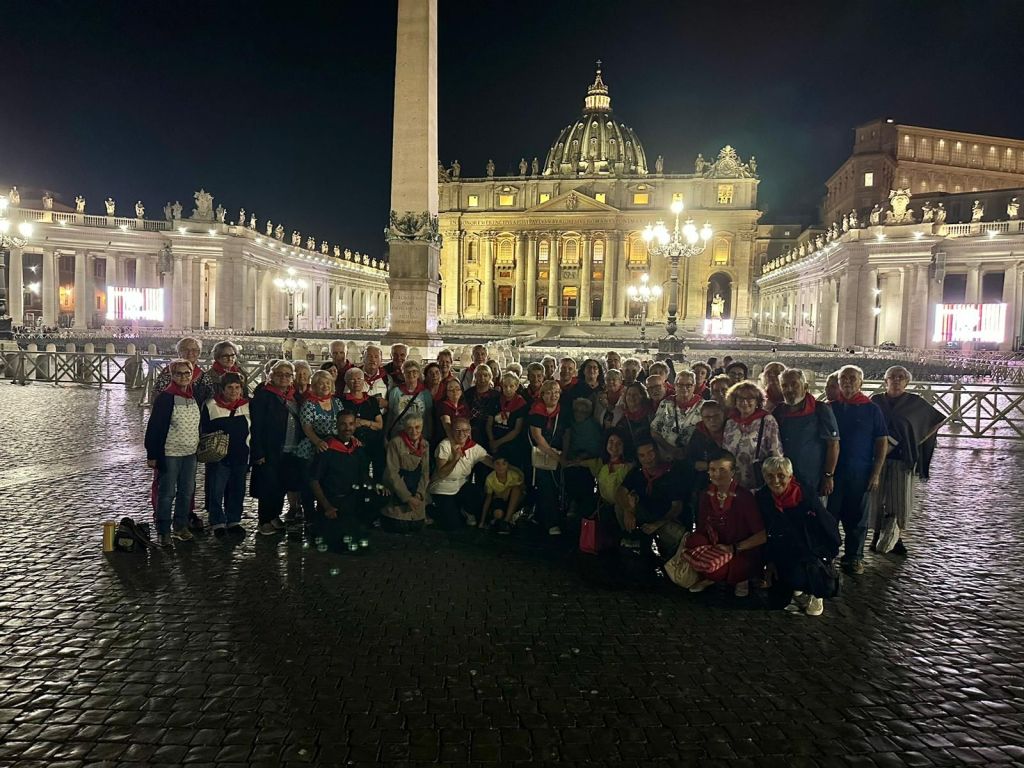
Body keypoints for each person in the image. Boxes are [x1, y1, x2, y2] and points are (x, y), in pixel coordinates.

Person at [869, 366, 944, 556]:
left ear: (907, 382)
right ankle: (876, 535)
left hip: (902, 457)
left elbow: (936, 421)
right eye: (892, 377)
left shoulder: (915, 402)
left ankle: (896, 537)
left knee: (899, 499)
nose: (896, 380)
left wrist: (917, 439)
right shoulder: (875, 400)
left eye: (901, 377)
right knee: (875, 498)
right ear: (885, 381)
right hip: (877, 458)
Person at [757, 456, 841, 617]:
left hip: (808, 546)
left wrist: (829, 553)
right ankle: (795, 584)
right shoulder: (763, 497)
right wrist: (767, 561)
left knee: (806, 574)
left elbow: (825, 523)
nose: (775, 480)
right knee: (776, 602)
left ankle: (816, 592)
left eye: (781, 475)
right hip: (781, 547)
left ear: (790, 476)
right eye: (770, 476)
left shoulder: (806, 496)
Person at [829, 364, 889, 574]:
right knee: (830, 514)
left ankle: (854, 557)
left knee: (857, 517)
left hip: (860, 471)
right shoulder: (830, 407)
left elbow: (881, 441)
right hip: (833, 471)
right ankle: (829, 553)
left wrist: (876, 472)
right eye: (843, 378)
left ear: (861, 382)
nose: (847, 382)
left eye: (852, 378)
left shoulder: (872, 409)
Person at [685, 451, 766, 597]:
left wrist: (734, 548)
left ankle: (738, 577)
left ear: (733, 472)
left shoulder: (744, 497)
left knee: (720, 570)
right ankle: (711, 576)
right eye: (713, 470)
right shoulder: (705, 495)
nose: (717, 474)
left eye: (722, 470)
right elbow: (702, 527)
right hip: (716, 548)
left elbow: (761, 535)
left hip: (740, 550)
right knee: (693, 541)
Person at [145, 358, 201, 545]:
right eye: (179, 373)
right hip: (170, 453)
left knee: (187, 491)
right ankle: (163, 530)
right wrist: (152, 454)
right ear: (172, 375)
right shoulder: (165, 398)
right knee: (167, 492)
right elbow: (154, 427)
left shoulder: (193, 396)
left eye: (187, 373)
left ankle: (180, 526)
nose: (184, 377)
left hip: (190, 453)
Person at [249, 360, 303, 535]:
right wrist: (258, 451)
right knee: (268, 484)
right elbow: (256, 426)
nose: (284, 378)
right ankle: (264, 519)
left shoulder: (294, 396)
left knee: (281, 483)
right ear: (271, 376)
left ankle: (275, 515)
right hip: (270, 448)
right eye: (279, 374)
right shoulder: (263, 396)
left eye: (288, 375)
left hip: (290, 448)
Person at [199, 372, 251, 537]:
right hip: (218, 456)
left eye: (237, 387)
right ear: (222, 389)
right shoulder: (211, 405)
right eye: (230, 387)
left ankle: (234, 519)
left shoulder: (247, 405)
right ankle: (217, 521)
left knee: (237, 489)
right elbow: (204, 429)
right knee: (216, 489)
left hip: (241, 454)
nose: (234, 391)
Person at [774, 368, 840, 496]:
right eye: (784, 386)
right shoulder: (778, 411)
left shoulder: (820, 409)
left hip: (813, 478)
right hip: (784, 479)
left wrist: (828, 476)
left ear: (805, 387)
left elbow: (833, 445)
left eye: (794, 384)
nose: (789, 389)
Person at [309, 412, 372, 542]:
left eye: (351, 424)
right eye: (343, 424)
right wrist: (327, 506)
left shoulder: (357, 448)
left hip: (353, 500)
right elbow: (314, 480)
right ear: (336, 425)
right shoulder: (326, 449)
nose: (347, 428)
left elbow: (364, 475)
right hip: (334, 502)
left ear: (355, 425)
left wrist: (375, 488)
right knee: (341, 542)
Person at [617, 439, 689, 552]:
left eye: (650, 453)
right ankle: (633, 541)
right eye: (642, 455)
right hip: (645, 515)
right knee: (619, 507)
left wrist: (658, 524)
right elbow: (620, 491)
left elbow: (677, 507)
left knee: (675, 538)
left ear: (658, 452)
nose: (647, 458)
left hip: (667, 518)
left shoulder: (672, 474)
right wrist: (628, 510)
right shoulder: (637, 472)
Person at [429, 417, 493, 529]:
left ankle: (464, 510)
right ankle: (430, 508)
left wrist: (512, 469)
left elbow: (492, 462)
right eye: (457, 430)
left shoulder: (474, 447)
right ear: (452, 431)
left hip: (460, 485)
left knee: (476, 492)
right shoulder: (444, 445)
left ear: (469, 431)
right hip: (443, 487)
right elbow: (442, 473)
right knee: (453, 525)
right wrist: (455, 459)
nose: (461, 434)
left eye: (465, 430)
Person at [722, 381, 782, 490]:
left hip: (757, 482)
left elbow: (776, 453)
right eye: (740, 398)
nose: (744, 402)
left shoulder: (767, 420)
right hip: (732, 482)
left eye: (750, 398)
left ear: (757, 401)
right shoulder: (730, 422)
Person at [528, 380, 566, 535]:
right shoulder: (537, 411)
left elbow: (567, 432)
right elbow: (537, 437)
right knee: (545, 486)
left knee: (555, 486)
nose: (553, 396)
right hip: (542, 453)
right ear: (542, 395)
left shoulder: (562, 411)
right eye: (549, 392)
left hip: (558, 453)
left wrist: (564, 453)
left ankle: (540, 516)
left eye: (556, 392)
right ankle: (551, 523)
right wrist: (556, 457)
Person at [381, 416, 430, 533]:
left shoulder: (424, 444)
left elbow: (425, 471)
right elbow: (392, 473)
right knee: (400, 527)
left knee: (416, 527)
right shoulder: (395, 443)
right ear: (404, 428)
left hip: (416, 489)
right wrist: (407, 498)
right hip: (399, 488)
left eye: (417, 427)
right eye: (410, 428)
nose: (414, 431)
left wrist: (419, 495)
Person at [562, 398, 605, 516]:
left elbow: (597, 447)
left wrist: (583, 457)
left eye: (583, 412)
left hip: (589, 460)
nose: (579, 413)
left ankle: (584, 509)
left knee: (583, 474)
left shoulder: (593, 426)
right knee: (569, 471)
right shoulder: (571, 424)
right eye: (576, 410)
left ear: (588, 413)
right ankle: (572, 503)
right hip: (572, 458)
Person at [340, 367, 384, 480]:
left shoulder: (372, 401)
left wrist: (364, 422)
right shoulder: (342, 401)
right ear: (346, 382)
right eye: (352, 379)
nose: (356, 382)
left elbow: (379, 425)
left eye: (359, 379)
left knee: (379, 470)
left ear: (363, 381)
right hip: (353, 443)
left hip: (374, 442)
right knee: (359, 474)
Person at [652, 370, 704, 460]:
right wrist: (671, 449)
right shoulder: (666, 403)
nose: (684, 388)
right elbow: (654, 430)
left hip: (695, 457)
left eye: (688, 385)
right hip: (669, 455)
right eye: (680, 385)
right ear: (675, 386)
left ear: (694, 386)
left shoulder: (703, 406)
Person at [487, 372, 529, 471]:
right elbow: (489, 424)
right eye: (505, 386)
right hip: (494, 439)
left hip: (512, 444)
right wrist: (492, 440)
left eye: (511, 386)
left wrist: (497, 443)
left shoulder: (521, 404)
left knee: (512, 472)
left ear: (517, 386)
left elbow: (516, 430)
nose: (508, 389)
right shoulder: (495, 400)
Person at [385, 359, 432, 443]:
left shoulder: (425, 393)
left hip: (419, 436)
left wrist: (428, 436)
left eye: (414, 371)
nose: (411, 374)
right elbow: (391, 415)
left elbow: (428, 417)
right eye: (408, 372)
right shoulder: (395, 392)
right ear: (403, 374)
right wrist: (386, 434)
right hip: (398, 435)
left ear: (418, 374)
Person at [153, 337, 212, 401]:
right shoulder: (168, 372)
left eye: (194, 350)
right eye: (185, 350)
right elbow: (156, 396)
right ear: (179, 353)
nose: (190, 353)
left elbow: (209, 399)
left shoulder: (203, 376)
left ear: (199, 353)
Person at [481, 456, 524, 532]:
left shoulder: (514, 475)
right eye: (497, 464)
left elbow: (522, 489)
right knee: (498, 514)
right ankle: (498, 520)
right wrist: (482, 521)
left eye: (504, 464)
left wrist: (509, 488)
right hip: (500, 500)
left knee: (516, 489)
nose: (500, 467)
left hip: (515, 500)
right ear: (493, 465)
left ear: (508, 465)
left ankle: (506, 521)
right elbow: (488, 497)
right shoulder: (490, 478)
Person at [461, 364, 499, 449]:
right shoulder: (468, 394)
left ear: (490, 377)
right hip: (471, 432)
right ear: (475, 377)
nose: (482, 378)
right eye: (479, 375)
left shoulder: (496, 395)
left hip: (490, 433)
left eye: (485, 375)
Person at [618, 382, 654, 452]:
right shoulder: (621, 415)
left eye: (635, 394)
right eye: (629, 394)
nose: (631, 397)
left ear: (642, 396)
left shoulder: (650, 414)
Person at [437, 378, 470, 445]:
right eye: (451, 389)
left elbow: (467, 426)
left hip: (462, 439)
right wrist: (454, 444)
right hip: (448, 440)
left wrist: (468, 443)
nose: (455, 391)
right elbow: (447, 427)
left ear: (461, 391)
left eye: (457, 389)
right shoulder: (443, 405)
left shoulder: (464, 406)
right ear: (446, 392)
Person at [361, 344, 390, 410]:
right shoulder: (354, 375)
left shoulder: (387, 378)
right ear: (363, 359)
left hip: (381, 415)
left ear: (381, 360)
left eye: (376, 357)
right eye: (369, 356)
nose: (373, 359)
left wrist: (387, 404)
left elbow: (394, 403)